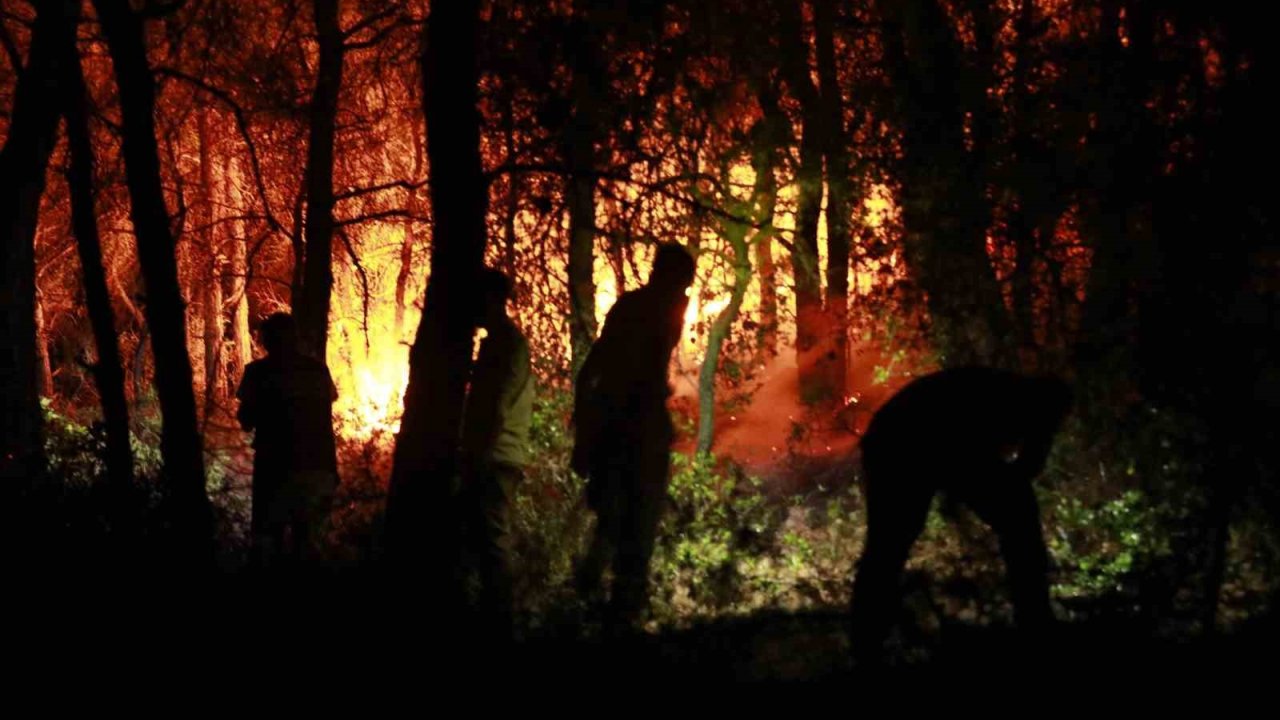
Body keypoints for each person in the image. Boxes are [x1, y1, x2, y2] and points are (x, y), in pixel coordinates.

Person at [850, 366, 1072, 665]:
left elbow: (1008, 471)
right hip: (902, 443)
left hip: (905, 437)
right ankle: (867, 643)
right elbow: (977, 461)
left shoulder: (1006, 399)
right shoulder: (998, 402)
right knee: (890, 543)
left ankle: (867, 641)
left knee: (889, 545)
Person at [573, 243, 696, 631]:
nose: (686, 294)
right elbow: (614, 368)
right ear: (670, 278)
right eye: (683, 285)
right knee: (634, 526)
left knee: (614, 522)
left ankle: (593, 601)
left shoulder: (636, 308)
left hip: (621, 429)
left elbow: (594, 367)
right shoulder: (657, 311)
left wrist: (585, 429)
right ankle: (616, 614)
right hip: (634, 431)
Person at [457, 269, 534, 638]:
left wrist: (477, 456)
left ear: (490, 300)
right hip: (494, 455)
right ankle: (492, 618)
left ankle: (502, 624)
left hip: (496, 457)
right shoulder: (496, 343)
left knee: (492, 539)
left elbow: (497, 404)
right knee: (482, 539)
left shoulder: (507, 344)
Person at [236, 312, 339, 569]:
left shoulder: (257, 373)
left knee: (271, 542)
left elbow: (246, 421)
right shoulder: (318, 370)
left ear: (266, 341)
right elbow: (329, 405)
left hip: (274, 470)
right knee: (308, 543)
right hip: (317, 466)